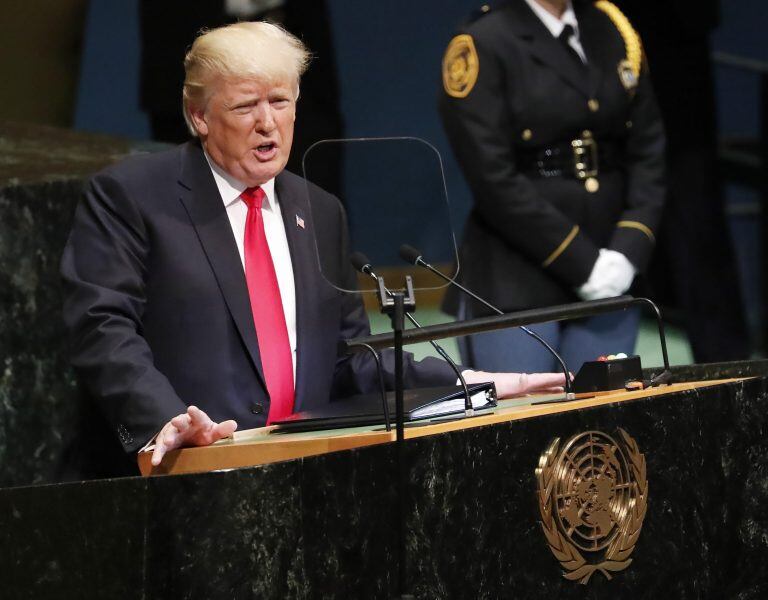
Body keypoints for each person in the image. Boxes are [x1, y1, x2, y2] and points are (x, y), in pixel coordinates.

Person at [60, 21, 565, 477]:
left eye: (279, 101)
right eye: (244, 105)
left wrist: (471, 382)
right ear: (199, 116)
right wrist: (164, 420)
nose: (267, 123)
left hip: (306, 477)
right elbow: (102, 327)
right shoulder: (133, 195)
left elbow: (351, 362)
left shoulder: (319, 211)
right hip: (189, 474)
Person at [438, 0, 665, 374]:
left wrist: (630, 248)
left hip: (611, 260)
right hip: (518, 272)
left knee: (601, 425)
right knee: (521, 424)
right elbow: (492, 177)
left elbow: (649, 150)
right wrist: (583, 263)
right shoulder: (484, 40)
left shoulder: (612, 29)